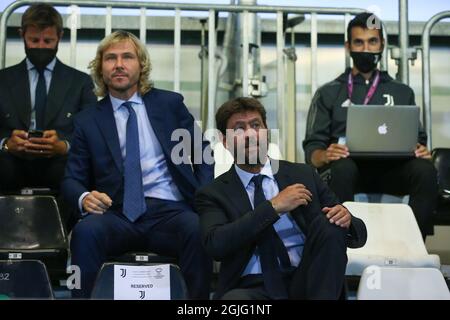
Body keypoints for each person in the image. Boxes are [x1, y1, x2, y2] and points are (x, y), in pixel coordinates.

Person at [62, 30, 214, 299]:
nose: (119, 64)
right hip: (115, 213)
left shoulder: (169, 104)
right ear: (100, 68)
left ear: (141, 65)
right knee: (85, 232)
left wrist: (204, 201)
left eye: (127, 57)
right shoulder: (87, 120)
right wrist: (84, 197)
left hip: (170, 211)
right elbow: (71, 180)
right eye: (110, 58)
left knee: (196, 228)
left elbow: (202, 154)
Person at [195, 97, 367, 300]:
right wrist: (273, 207)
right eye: (239, 128)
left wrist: (347, 219)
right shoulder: (213, 193)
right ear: (225, 142)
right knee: (236, 302)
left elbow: (358, 232)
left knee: (331, 222)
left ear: (267, 132)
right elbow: (216, 245)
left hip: (308, 280)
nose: (250, 134)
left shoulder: (303, 174)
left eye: (256, 125)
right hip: (253, 287)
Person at [303, 12, 437, 238]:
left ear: (382, 44)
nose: (366, 49)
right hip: (346, 170)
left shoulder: (402, 92)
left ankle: (414, 245)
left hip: (393, 170)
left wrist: (420, 149)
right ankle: (341, 247)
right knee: (343, 168)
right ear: (348, 46)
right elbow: (312, 150)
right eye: (359, 42)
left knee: (425, 170)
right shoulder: (328, 92)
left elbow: (418, 139)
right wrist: (324, 155)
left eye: (372, 41)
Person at [0, 3, 96, 196]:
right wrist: (6, 144)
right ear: (22, 35)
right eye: (34, 40)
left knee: (78, 168)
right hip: (9, 164)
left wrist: (64, 146)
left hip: (60, 166)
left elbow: (92, 132)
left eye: (48, 41)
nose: (41, 47)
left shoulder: (80, 82)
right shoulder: (2, 80)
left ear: (60, 36)